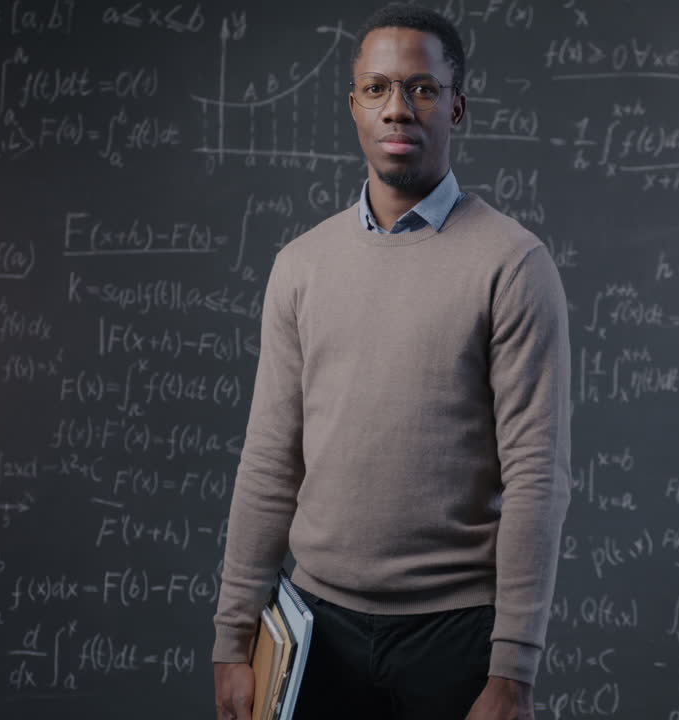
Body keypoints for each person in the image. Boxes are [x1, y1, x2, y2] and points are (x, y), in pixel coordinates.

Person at [211, 4, 571, 719]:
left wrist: (513, 670)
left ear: (456, 107)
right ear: (353, 106)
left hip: (457, 636)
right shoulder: (301, 265)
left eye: (421, 89)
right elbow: (269, 461)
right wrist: (232, 638)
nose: (397, 108)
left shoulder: (514, 264)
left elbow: (537, 474)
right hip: (313, 633)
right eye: (376, 88)